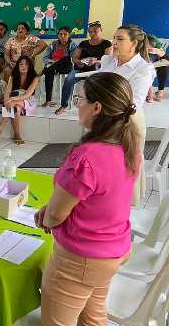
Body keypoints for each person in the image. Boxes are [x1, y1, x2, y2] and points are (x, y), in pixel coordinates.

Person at [35, 73, 139, 326]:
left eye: (79, 99)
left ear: (97, 108)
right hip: (114, 249)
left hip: (81, 259)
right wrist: (54, 209)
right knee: (94, 315)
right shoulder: (128, 145)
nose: (76, 105)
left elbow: (56, 214)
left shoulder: (86, 156)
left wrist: (50, 216)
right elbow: (99, 198)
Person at [97, 24, 155, 207]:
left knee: (123, 167)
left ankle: (120, 208)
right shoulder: (107, 60)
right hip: (102, 119)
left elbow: (133, 106)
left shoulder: (142, 69)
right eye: (114, 38)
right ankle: (101, 200)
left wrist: (100, 103)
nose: (113, 42)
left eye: (120, 39)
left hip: (127, 123)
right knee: (101, 165)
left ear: (134, 44)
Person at [55, 21, 113, 115]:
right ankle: (63, 105)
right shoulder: (83, 44)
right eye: (90, 32)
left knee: (94, 84)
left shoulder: (106, 44)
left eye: (95, 31)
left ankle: (94, 107)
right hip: (81, 69)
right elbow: (75, 58)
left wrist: (95, 62)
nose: (92, 34)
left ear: (101, 31)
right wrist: (78, 62)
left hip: (97, 71)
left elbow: (108, 60)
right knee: (69, 79)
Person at [0, 55, 39, 145]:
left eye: (26, 64)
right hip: (15, 102)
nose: (23, 66)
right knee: (16, 109)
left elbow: (27, 95)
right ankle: (17, 135)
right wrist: (7, 100)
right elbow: (7, 92)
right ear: (18, 66)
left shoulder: (34, 77)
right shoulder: (13, 76)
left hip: (28, 102)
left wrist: (11, 99)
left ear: (30, 66)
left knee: (13, 104)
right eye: (21, 64)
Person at [41, 26, 78, 107]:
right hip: (52, 66)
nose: (63, 36)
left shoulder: (72, 45)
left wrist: (59, 62)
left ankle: (45, 71)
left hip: (66, 67)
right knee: (49, 72)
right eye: (60, 34)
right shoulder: (52, 44)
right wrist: (54, 62)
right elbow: (45, 58)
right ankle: (48, 100)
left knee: (66, 58)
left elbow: (73, 59)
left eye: (65, 34)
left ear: (69, 35)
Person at [145, 34, 168, 102]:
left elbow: (162, 54)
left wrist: (157, 52)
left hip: (152, 66)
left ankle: (158, 92)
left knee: (164, 65)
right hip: (143, 65)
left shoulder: (152, 39)